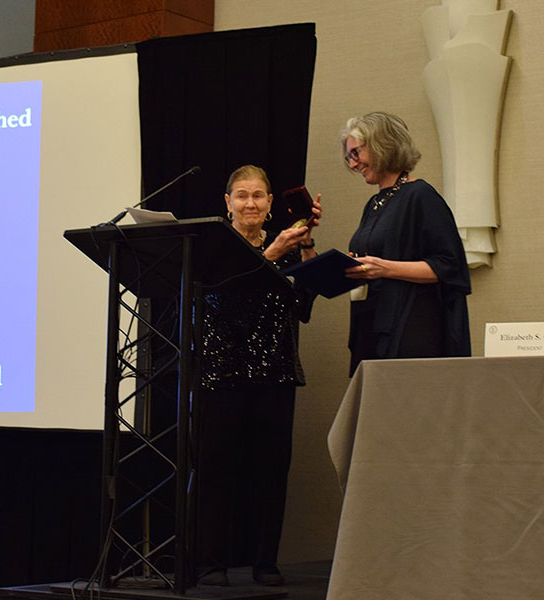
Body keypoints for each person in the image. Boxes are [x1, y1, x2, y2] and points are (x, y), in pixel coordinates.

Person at [195, 165, 321, 587]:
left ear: (270, 205)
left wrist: (306, 247)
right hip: (222, 373)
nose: (251, 203)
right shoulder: (212, 246)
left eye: (259, 196)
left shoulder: (286, 245)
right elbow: (219, 298)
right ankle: (212, 563)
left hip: (275, 372)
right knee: (216, 470)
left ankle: (266, 561)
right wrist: (270, 255)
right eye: (242, 195)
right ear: (226, 202)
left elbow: (302, 307)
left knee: (271, 471)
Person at [341, 112, 471, 376]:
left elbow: (449, 266)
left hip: (411, 326)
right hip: (372, 322)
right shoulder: (374, 203)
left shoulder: (421, 195)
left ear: (381, 144)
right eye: (349, 157)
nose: (353, 164)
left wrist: (384, 268)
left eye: (356, 153)